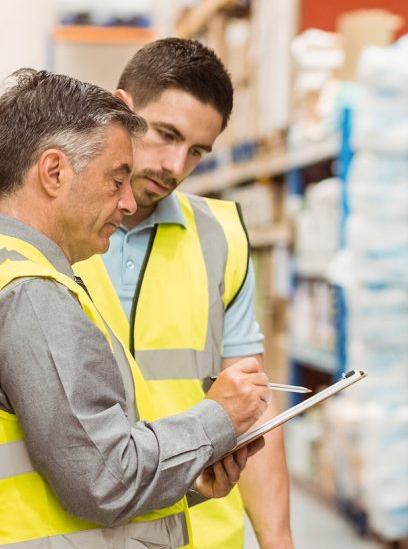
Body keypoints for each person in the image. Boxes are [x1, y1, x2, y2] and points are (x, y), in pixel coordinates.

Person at [0, 69, 270, 548]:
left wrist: (187, 479)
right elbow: (106, 479)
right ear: (54, 172)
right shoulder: (31, 295)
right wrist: (218, 419)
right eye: (115, 180)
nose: (128, 202)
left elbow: (70, 463)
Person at [80, 38, 292, 548]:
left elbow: (254, 405)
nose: (175, 166)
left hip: (197, 531)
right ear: (121, 109)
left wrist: (278, 541)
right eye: (166, 134)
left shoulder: (220, 236)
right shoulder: (50, 228)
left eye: (196, 150)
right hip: (79, 530)